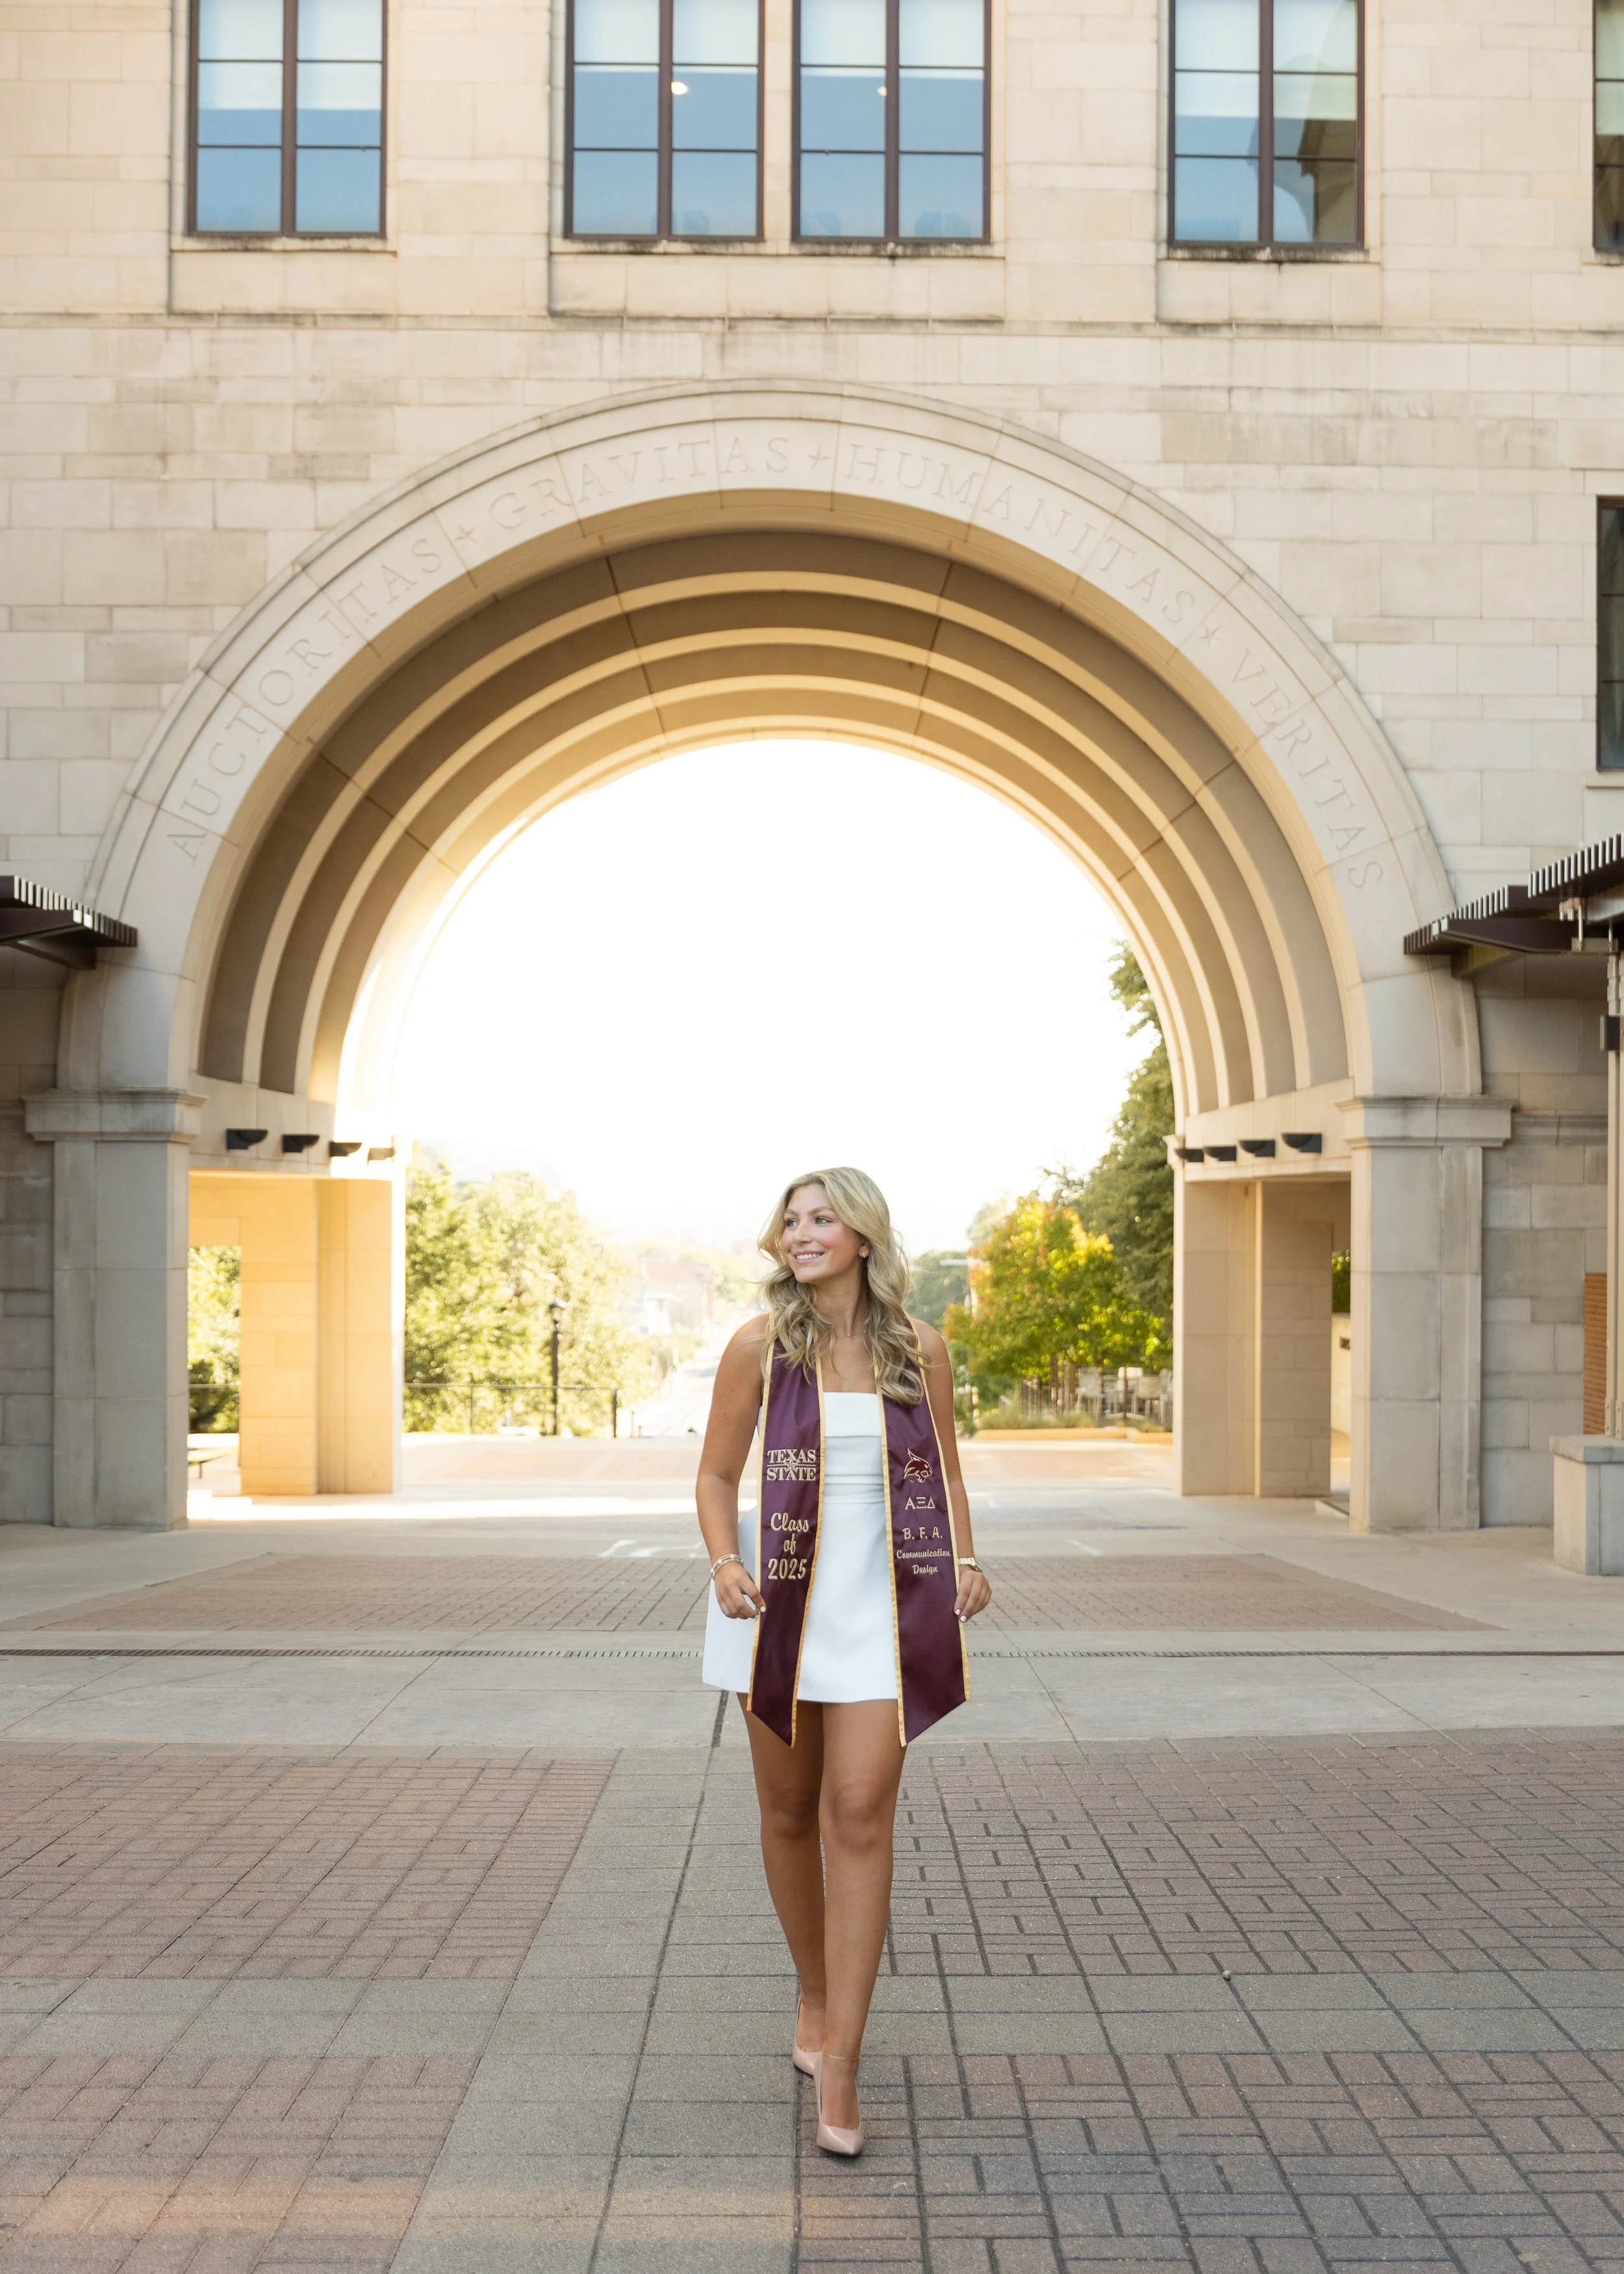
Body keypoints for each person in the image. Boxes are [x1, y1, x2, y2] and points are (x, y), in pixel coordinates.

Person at [696, 1167, 991, 2158]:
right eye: (791, 1219)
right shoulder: (761, 1349)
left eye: (822, 1219)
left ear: (864, 1236)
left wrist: (969, 1557)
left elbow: (946, 1471)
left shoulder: (922, 1351)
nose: (801, 1233)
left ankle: (846, 2062)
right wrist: (724, 1560)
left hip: (882, 1610)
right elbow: (715, 1473)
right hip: (776, 1601)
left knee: (857, 1810)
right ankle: (815, 1997)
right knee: (786, 1811)